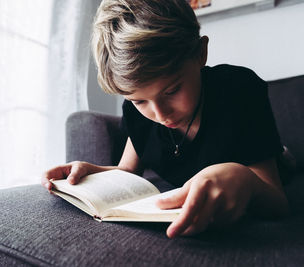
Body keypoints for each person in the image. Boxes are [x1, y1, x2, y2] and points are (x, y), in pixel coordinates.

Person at [41, 0, 289, 238]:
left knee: (286, 162)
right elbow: (127, 171)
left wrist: (244, 178)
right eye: (139, 101)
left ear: (201, 53)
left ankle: (285, 154)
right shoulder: (137, 116)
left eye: (171, 91)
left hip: (262, 162)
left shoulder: (239, 89)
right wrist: (93, 174)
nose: (160, 115)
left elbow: (278, 201)